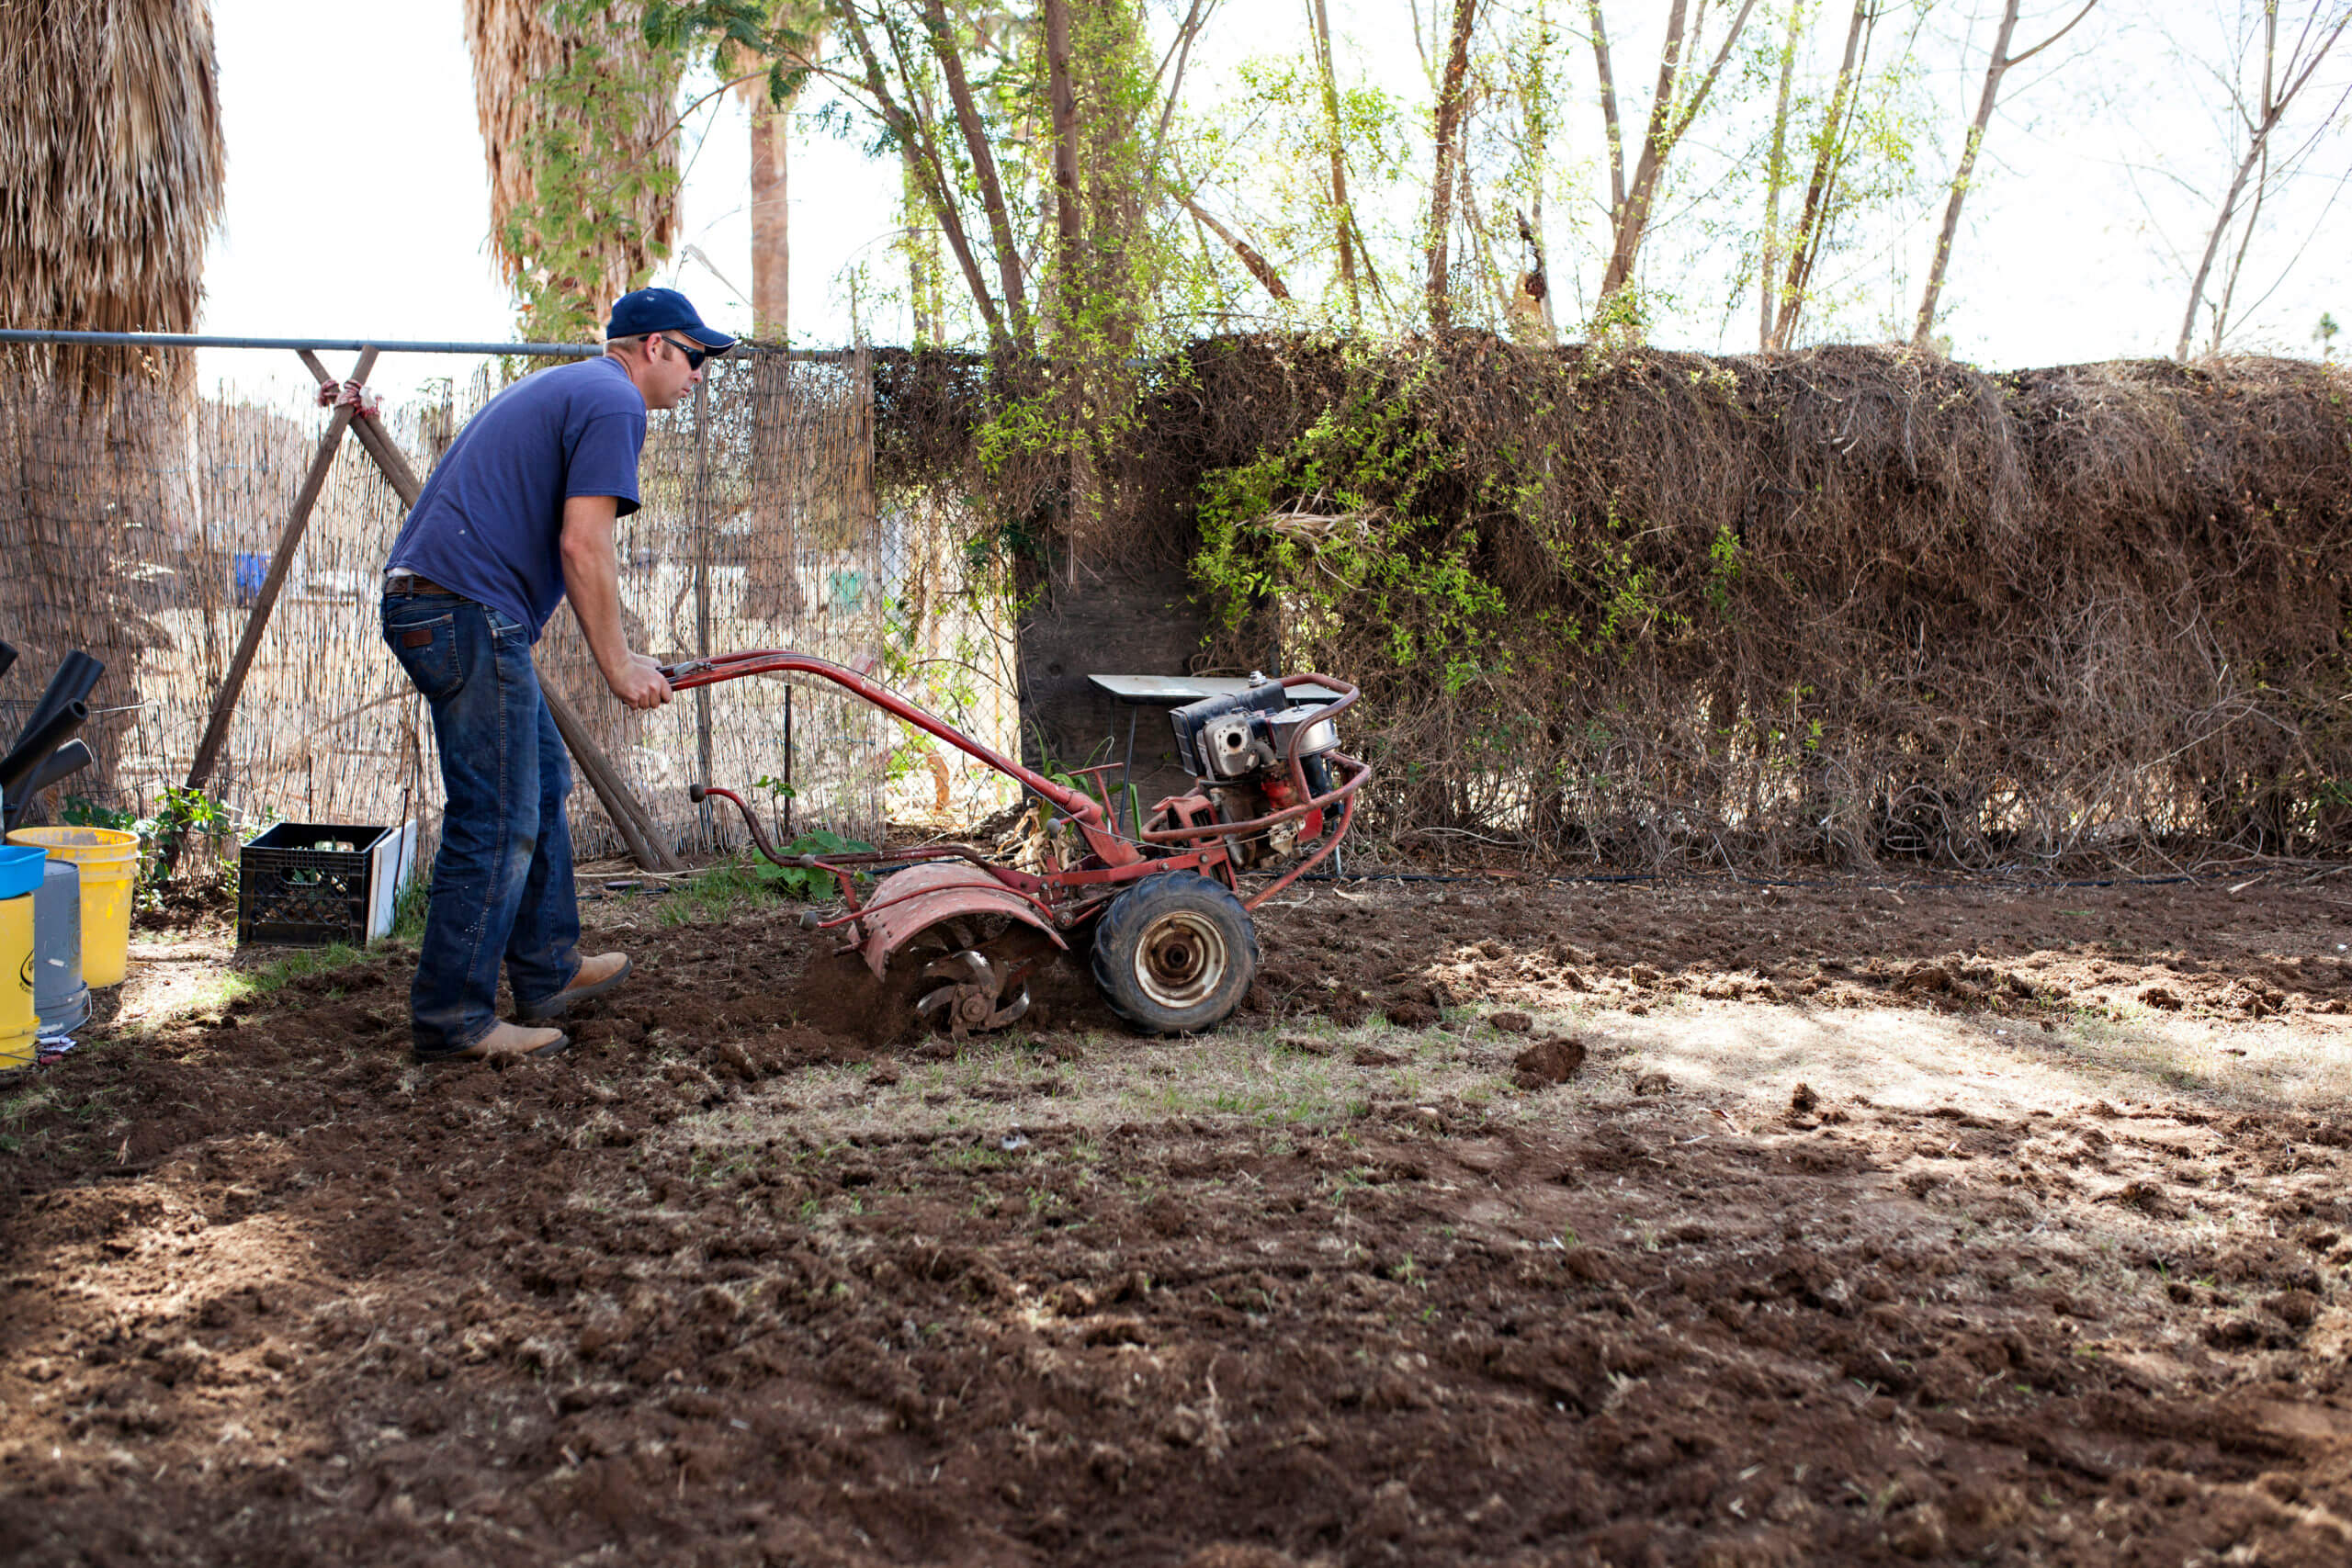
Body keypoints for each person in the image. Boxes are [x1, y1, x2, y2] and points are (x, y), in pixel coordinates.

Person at [380, 288, 735, 1063]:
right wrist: (618, 663)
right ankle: (452, 1020)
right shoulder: (616, 402)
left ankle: (548, 968)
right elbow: (584, 546)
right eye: (694, 355)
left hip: (450, 605)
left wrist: (625, 653)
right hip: (461, 610)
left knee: (539, 783)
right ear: (652, 347)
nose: (699, 374)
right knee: (498, 815)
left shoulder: (583, 388)